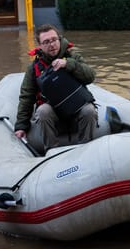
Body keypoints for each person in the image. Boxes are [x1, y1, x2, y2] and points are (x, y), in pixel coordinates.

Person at [14, 24, 97, 155]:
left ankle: (86, 150)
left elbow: (90, 76)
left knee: (89, 110)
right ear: (40, 46)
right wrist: (21, 126)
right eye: (46, 42)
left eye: (53, 40)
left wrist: (69, 64)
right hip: (53, 113)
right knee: (42, 111)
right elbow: (27, 96)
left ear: (59, 39)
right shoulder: (34, 68)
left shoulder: (73, 58)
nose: (51, 44)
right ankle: (53, 152)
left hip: (76, 109)